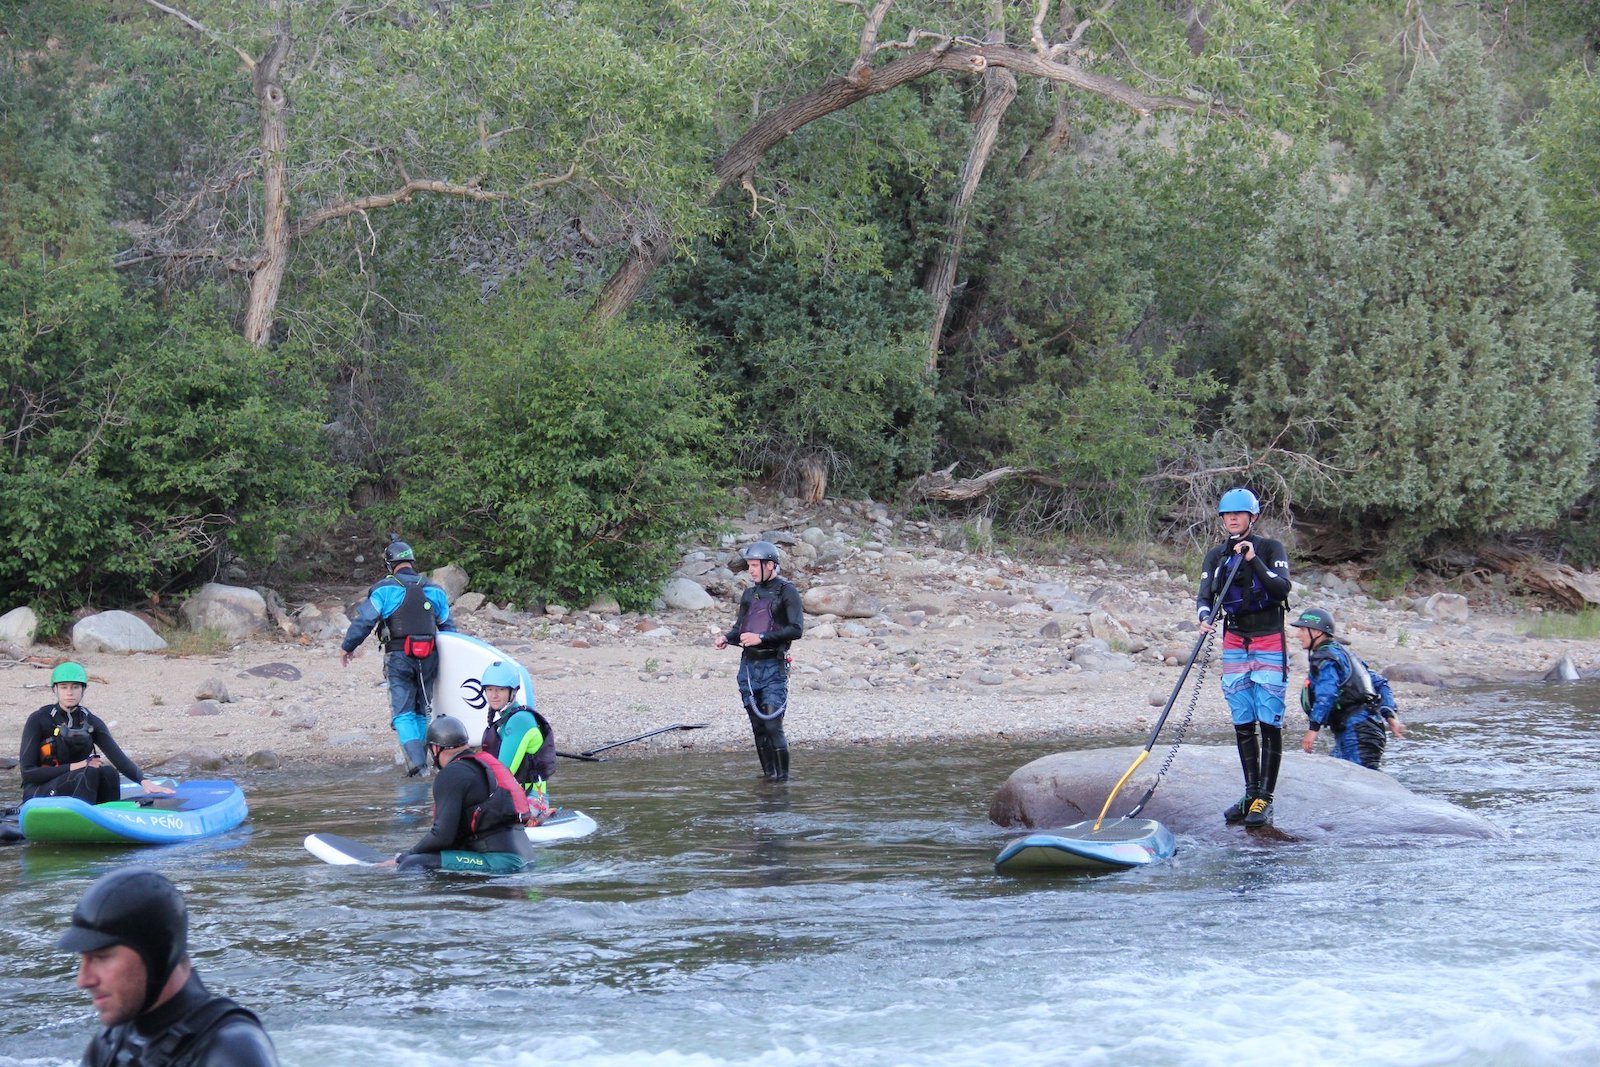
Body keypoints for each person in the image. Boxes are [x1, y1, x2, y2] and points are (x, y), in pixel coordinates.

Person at [58, 866, 279, 1066]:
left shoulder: (231, 1051)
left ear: (157, 954)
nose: (83, 980)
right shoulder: (110, 1044)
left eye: (102, 957)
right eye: (83, 959)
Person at [1195, 488, 1293, 828]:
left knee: (1268, 716)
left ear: (1253, 517)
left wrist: (1253, 559)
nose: (1232, 519)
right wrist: (1204, 616)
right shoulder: (1216, 555)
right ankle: (1250, 793)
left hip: (1268, 638)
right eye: (1227, 515)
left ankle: (1265, 797)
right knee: (1242, 716)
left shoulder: (1269, 548)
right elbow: (1205, 596)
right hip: (1234, 639)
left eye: (1239, 514)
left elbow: (1281, 589)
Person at [339, 533, 457, 776]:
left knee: (403, 712)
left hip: (399, 657)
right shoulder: (435, 590)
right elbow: (449, 629)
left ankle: (417, 767)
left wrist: (348, 646)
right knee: (422, 709)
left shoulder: (384, 590)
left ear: (389, 565)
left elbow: (364, 621)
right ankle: (425, 762)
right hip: (429, 657)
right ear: (411, 562)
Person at [390, 715, 538, 873]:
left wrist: (402, 857)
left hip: (504, 862)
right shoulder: (483, 762)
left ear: (434, 749)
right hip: (527, 857)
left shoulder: (452, 773)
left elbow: (442, 836)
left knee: (413, 864)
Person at [19, 663, 176, 804]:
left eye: (75, 687)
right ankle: (79, 822)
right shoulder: (39, 719)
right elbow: (28, 773)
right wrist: (79, 765)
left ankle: (107, 819)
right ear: (55, 689)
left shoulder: (90, 721)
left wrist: (143, 781)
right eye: (64, 687)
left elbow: (118, 758)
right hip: (39, 793)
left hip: (79, 782)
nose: (69, 693)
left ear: (83, 690)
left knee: (109, 773)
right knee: (88, 773)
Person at [714, 540, 804, 781]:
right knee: (759, 728)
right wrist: (726, 638)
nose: (751, 570)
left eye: (755, 565)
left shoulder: (787, 592)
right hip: (749, 670)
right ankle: (768, 778)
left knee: (773, 725)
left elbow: (796, 629)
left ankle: (782, 781)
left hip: (774, 668)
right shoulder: (749, 594)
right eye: (749, 566)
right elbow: (740, 630)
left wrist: (761, 637)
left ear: (770, 565)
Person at [1292, 607, 1406, 769]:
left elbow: (1327, 694)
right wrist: (1390, 714)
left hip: (1358, 734)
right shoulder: (1343, 653)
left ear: (1317, 633)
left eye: (1302, 629)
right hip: (1363, 731)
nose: (1297, 635)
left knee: (1358, 785)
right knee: (1333, 776)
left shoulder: (1324, 657)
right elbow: (1381, 683)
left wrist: (1313, 730)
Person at [477, 659, 556, 816]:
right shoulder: (506, 720)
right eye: (490, 689)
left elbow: (505, 771)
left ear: (512, 692)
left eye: (500, 690)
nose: (493, 695)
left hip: (531, 801)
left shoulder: (520, 720)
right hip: (513, 798)